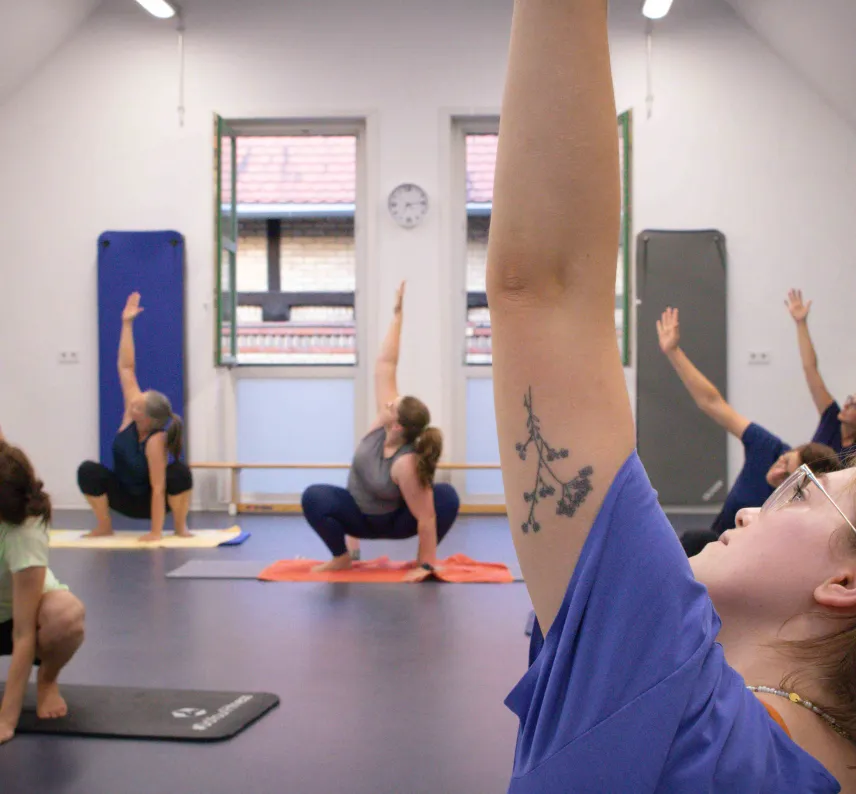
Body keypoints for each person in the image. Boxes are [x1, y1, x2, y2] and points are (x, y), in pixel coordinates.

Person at [488, 2, 855, 790]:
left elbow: (540, 287)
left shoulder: (668, 702)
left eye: (802, 493)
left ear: (846, 586)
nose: (756, 503)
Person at [301, 282, 460, 577]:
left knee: (446, 497)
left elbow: (426, 517)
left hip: (395, 523)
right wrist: (397, 317)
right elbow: (385, 365)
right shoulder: (381, 426)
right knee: (314, 496)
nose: (386, 405)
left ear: (398, 425)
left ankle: (421, 559)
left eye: (391, 407)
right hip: (358, 516)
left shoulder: (406, 462)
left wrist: (425, 567)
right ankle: (341, 557)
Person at [657, 306, 841, 536]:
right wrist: (673, 351)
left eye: (786, 477)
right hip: (715, 546)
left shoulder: (803, 513)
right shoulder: (767, 448)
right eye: (784, 462)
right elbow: (712, 403)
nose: (777, 473)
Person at [77, 292, 193, 543]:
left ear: (148, 418)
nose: (133, 402)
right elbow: (126, 367)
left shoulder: (155, 439)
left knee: (180, 473)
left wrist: (155, 532)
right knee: (88, 471)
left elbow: (159, 487)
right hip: (123, 497)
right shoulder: (132, 415)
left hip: (151, 501)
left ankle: (181, 528)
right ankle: (104, 526)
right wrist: (126, 324)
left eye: (138, 404)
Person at [0, 432, 86, 746]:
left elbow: (24, 633)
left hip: (22, 618)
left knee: (66, 616)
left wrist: (6, 719)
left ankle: (47, 679)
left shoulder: (24, 529)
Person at [786, 289, 856, 459]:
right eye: (849, 400)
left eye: (854, 405)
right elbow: (810, 369)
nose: (846, 405)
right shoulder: (832, 417)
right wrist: (801, 323)